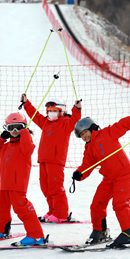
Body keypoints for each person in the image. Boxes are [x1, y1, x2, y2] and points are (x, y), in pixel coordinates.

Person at [72, 109, 130, 248]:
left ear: (91, 128)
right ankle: (100, 232)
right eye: (81, 135)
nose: (84, 136)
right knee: (97, 204)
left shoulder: (107, 133)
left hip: (123, 174)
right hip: (108, 178)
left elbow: (124, 124)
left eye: (85, 132)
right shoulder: (89, 149)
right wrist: (79, 173)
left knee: (120, 204)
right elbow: (87, 166)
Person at [0, 112, 45, 246]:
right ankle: (2, 230)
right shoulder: (6, 147)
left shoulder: (25, 147)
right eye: (11, 128)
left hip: (17, 185)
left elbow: (28, 148)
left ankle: (36, 236)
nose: (14, 131)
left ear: (24, 128)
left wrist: (25, 133)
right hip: (5, 185)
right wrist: (2, 138)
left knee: (22, 208)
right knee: (1, 207)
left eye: (18, 127)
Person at [21, 94, 82, 222]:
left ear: (61, 111)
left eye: (54, 111)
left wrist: (76, 109)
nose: (51, 114)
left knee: (55, 187)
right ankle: (52, 211)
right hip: (43, 159)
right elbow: (35, 115)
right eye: (49, 111)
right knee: (46, 187)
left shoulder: (66, 123)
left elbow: (75, 121)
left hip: (56, 160)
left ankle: (61, 214)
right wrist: (26, 103)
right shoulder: (45, 123)